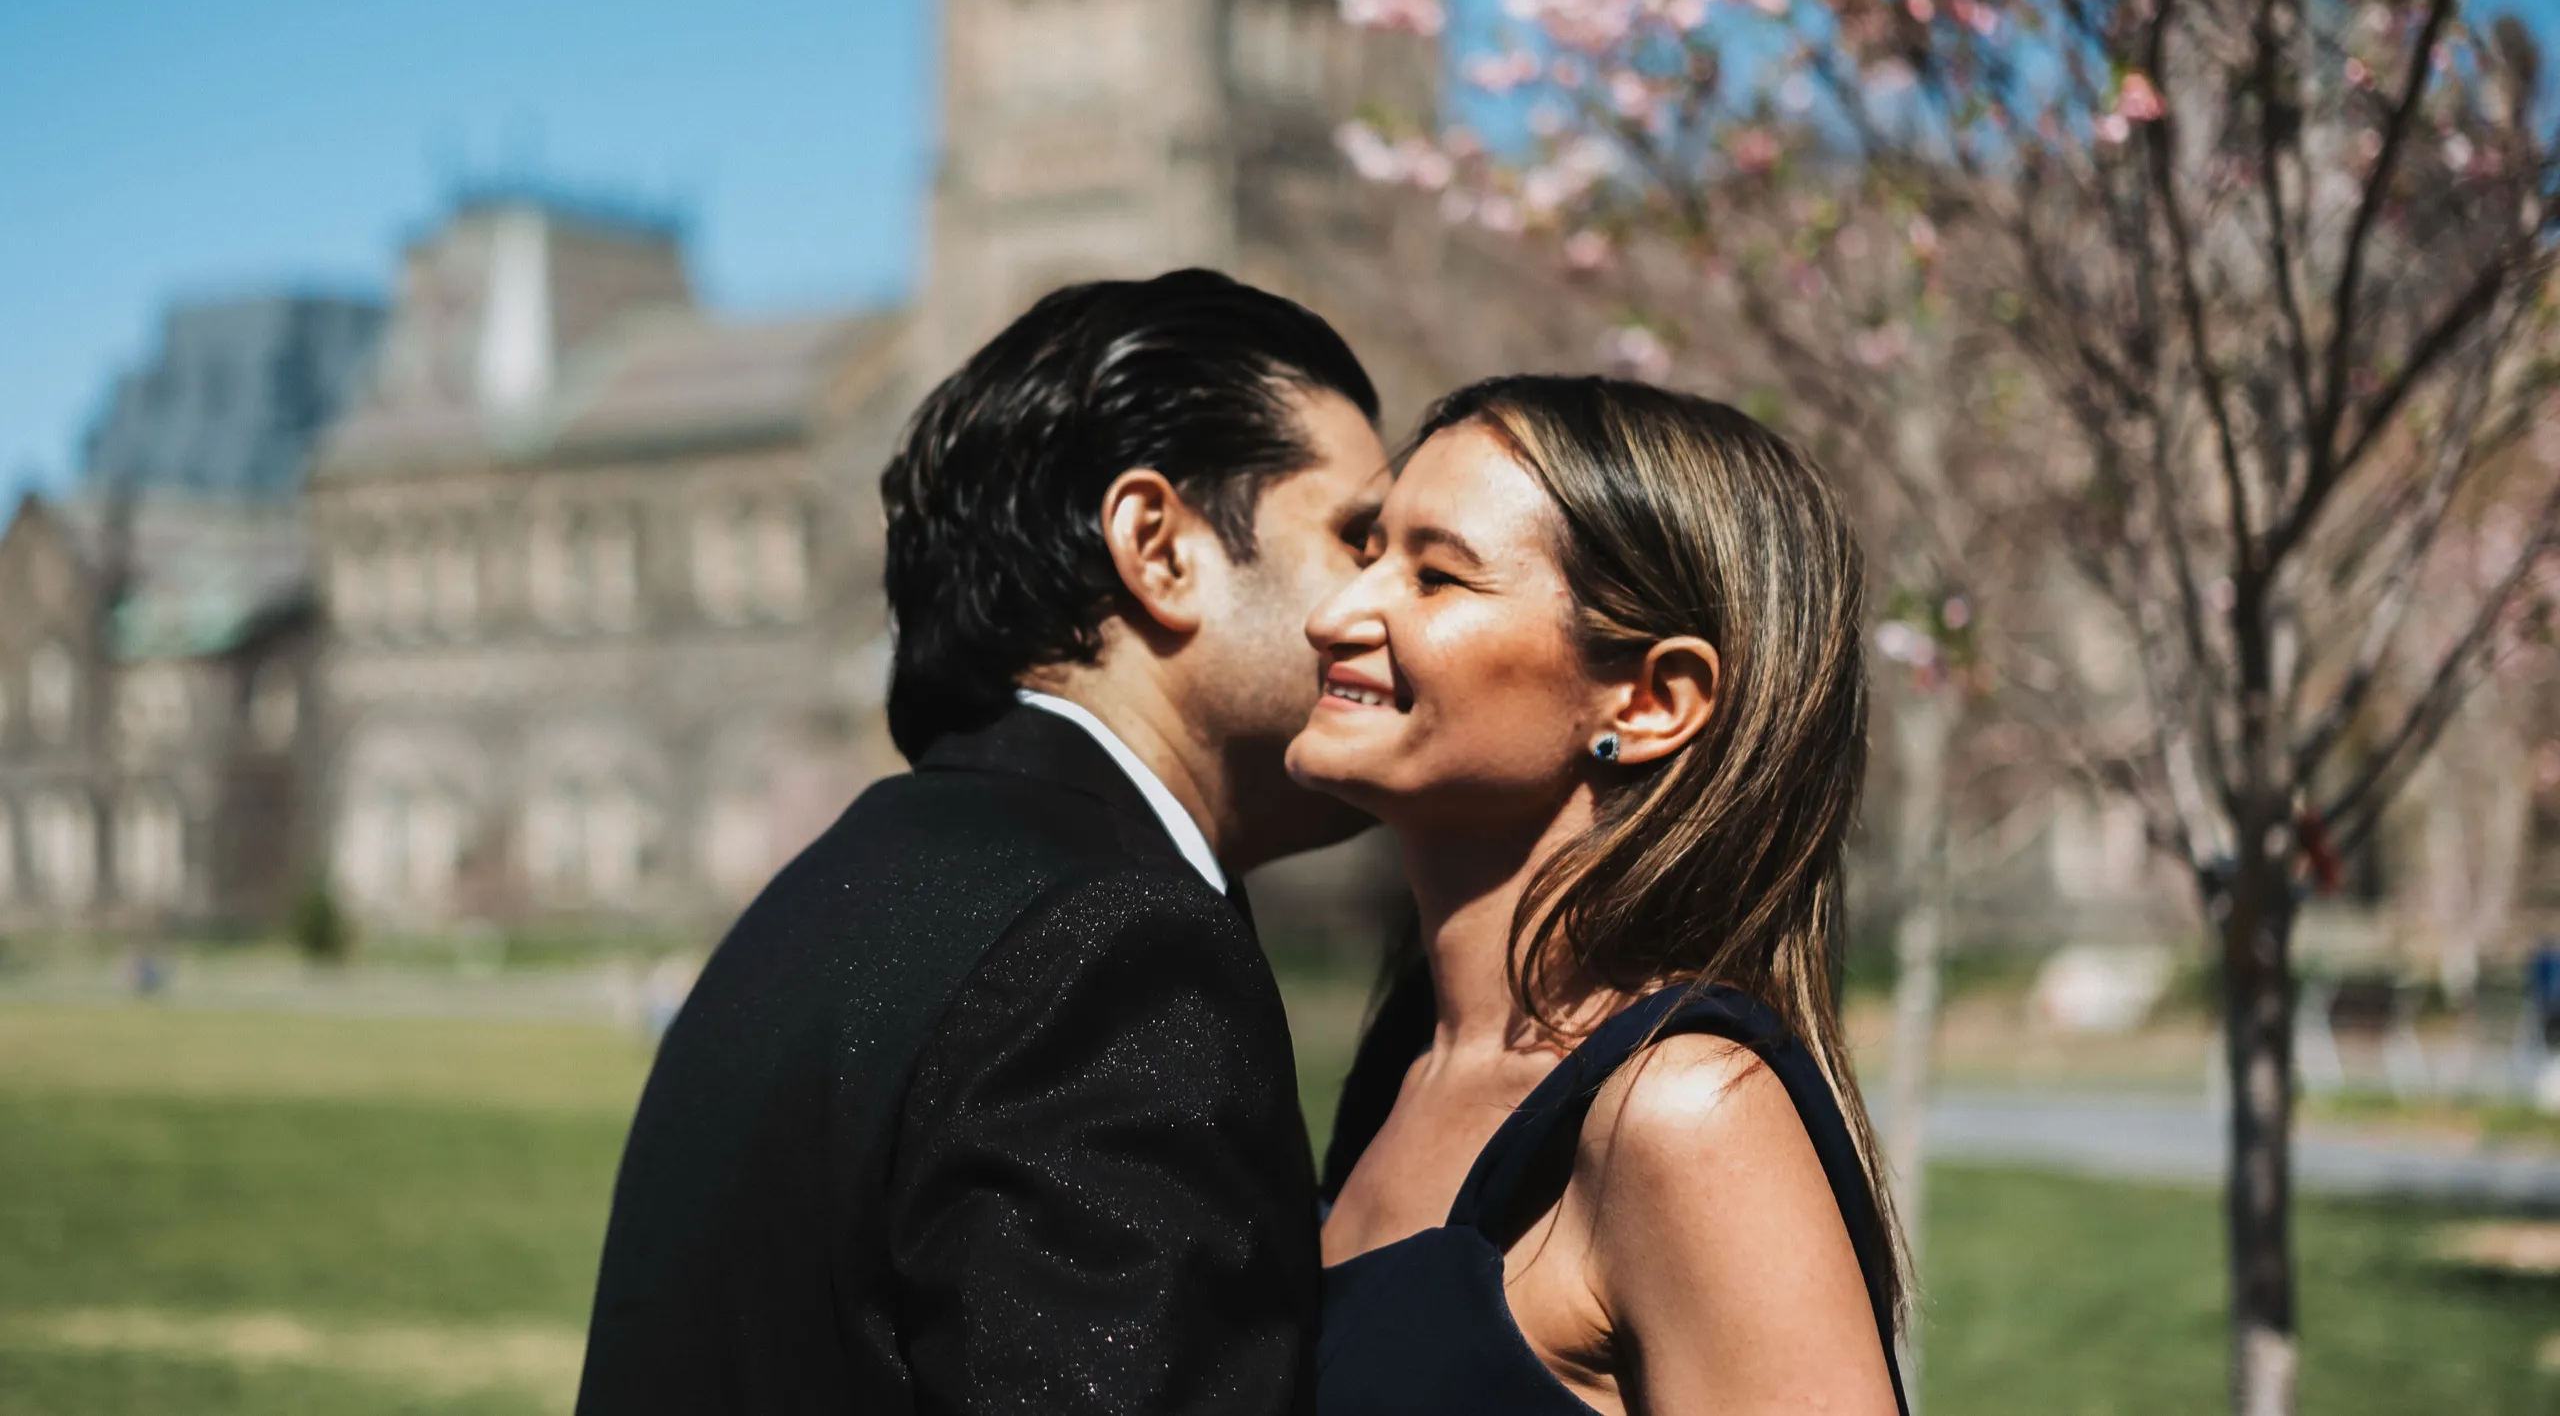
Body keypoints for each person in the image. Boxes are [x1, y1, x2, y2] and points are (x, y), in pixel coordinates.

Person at [576, 270, 1390, 1415]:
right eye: (1363, 537)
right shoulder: (1112, 945)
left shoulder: (844, 882)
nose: (1395, 606)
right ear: (1158, 547)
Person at [1293, 375, 1908, 1416]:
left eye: (1436, 576)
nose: (1333, 613)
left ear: (1652, 698)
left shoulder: (1679, 1116)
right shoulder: (1407, 1057)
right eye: (1366, 554)